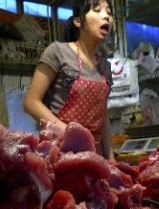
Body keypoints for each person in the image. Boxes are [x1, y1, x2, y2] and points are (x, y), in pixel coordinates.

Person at [23, 0, 115, 161]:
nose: (106, 17)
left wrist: (110, 156)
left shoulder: (105, 66)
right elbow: (31, 102)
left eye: (109, 12)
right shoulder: (58, 51)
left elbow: (103, 115)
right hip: (60, 151)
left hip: (95, 155)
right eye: (98, 10)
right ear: (78, 21)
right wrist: (73, 136)